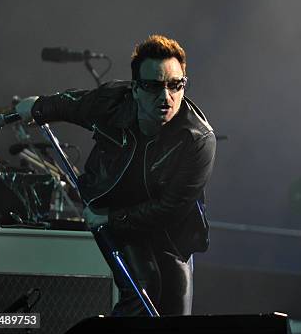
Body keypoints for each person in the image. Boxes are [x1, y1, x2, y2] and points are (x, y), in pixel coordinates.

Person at [16, 34, 216, 316]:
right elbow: (72, 104)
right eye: (153, 86)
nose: (166, 96)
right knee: (143, 290)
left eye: (175, 85)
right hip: (115, 207)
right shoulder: (112, 101)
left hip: (170, 232)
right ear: (135, 88)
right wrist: (36, 107)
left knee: (174, 318)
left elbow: (170, 209)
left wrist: (110, 218)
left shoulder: (198, 139)